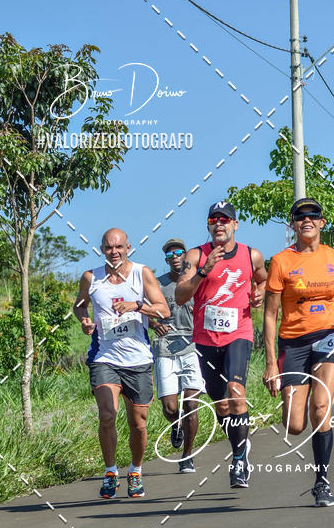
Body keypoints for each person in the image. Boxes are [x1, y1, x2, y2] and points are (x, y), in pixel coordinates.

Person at [262, 197, 334, 506]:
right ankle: (299, 400)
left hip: (327, 337)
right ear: (292, 224)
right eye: (300, 215)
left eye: (313, 214)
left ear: (321, 222)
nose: (307, 219)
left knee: (322, 407)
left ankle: (322, 482)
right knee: (295, 426)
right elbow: (269, 315)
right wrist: (271, 364)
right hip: (292, 343)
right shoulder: (281, 261)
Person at [175, 201, 266, 488]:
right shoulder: (195, 255)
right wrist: (204, 271)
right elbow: (179, 296)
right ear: (208, 225)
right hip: (205, 338)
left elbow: (263, 280)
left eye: (225, 219)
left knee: (236, 391)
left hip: (239, 332)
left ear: (235, 225)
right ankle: (240, 444)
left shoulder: (252, 255)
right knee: (222, 405)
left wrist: (259, 295)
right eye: (214, 219)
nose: (220, 223)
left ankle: (239, 460)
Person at [74, 228, 169, 499]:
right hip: (104, 357)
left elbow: (164, 309)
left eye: (118, 247)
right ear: (101, 250)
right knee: (107, 415)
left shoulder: (142, 273)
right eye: (108, 248)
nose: (113, 252)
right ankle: (110, 471)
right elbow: (79, 304)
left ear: (128, 248)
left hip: (138, 359)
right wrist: (83, 320)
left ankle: (135, 471)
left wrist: (136, 306)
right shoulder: (91, 278)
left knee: (138, 423)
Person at [151, 238, 205, 473]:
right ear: (166, 258)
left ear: (185, 255)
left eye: (178, 252)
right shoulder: (158, 284)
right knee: (171, 408)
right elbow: (144, 310)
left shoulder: (196, 281)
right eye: (169, 254)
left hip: (193, 346)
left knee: (191, 404)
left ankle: (187, 455)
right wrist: (154, 324)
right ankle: (176, 425)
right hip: (165, 347)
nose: (174, 256)